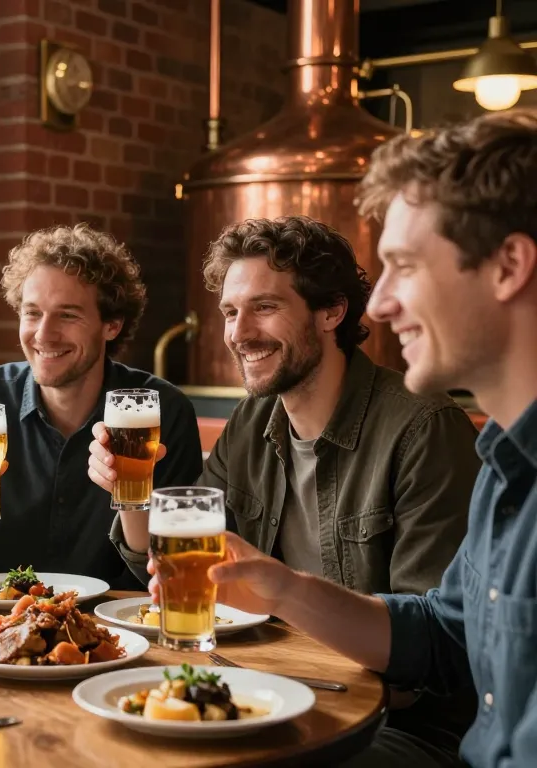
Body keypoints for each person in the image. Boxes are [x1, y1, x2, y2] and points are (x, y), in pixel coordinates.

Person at [152, 110, 537, 767]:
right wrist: (282, 589)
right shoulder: (503, 464)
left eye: (404, 266)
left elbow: (429, 690)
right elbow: (445, 640)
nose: (380, 303)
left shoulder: (426, 428)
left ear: (507, 267)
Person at [88, 215, 481, 763]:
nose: (239, 332)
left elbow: (428, 656)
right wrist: (132, 489)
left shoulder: (422, 428)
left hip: (399, 728)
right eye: (229, 311)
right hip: (273, 694)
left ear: (332, 311)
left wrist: (275, 651)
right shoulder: (253, 421)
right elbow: (181, 575)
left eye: (264, 307)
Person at [0, 223, 202, 588]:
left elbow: (175, 569)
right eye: (32, 313)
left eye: (68, 315)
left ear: (112, 325)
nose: (43, 334)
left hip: (115, 629)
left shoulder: (161, 410)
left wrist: (131, 496)